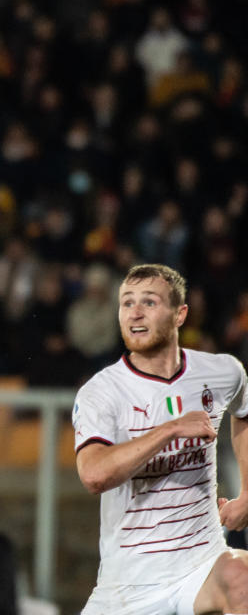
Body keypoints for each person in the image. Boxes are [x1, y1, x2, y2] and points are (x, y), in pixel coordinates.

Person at [73, 263, 248, 614]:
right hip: (129, 584)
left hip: (200, 564)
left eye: (149, 302)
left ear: (180, 314)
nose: (135, 312)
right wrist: (169, 429)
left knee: (239, 576)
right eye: (126, 303)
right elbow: (93, 475)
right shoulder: (101, 392)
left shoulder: (222, 371)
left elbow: (243, 411)